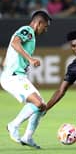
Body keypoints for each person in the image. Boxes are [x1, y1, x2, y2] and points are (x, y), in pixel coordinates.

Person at [0, 10, 51, 149]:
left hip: (17, 76)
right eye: (45, 26)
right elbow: (15, 43)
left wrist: (8, 62)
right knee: (38, 104)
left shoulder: (30, 37)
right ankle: (13, 125)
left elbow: (12, 50)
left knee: (42, 107)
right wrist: (30, 59)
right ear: (38, 23)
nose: (45, 30)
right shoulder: (27, 30)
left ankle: (27, 137)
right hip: (13, 77)